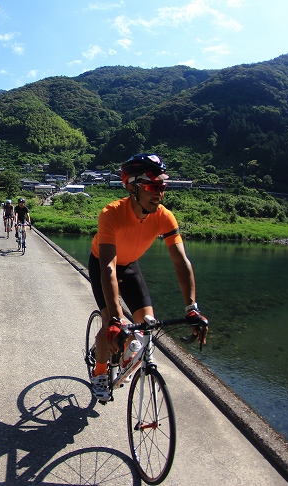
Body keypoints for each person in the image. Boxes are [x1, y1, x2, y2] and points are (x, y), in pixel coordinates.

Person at [88, 153, 208, 401]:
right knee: (112, 319)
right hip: (103, 264)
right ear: (132, 187)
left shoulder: (164, 216)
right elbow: (108, 267)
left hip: (130, 265)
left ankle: (124, 356)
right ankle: (100, 371)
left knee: (148, 323)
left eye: (162, 187)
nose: (159, 193)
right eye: (153, 186)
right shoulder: (111, 213)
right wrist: (115, 320)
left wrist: (192, 308)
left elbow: (181, 262)